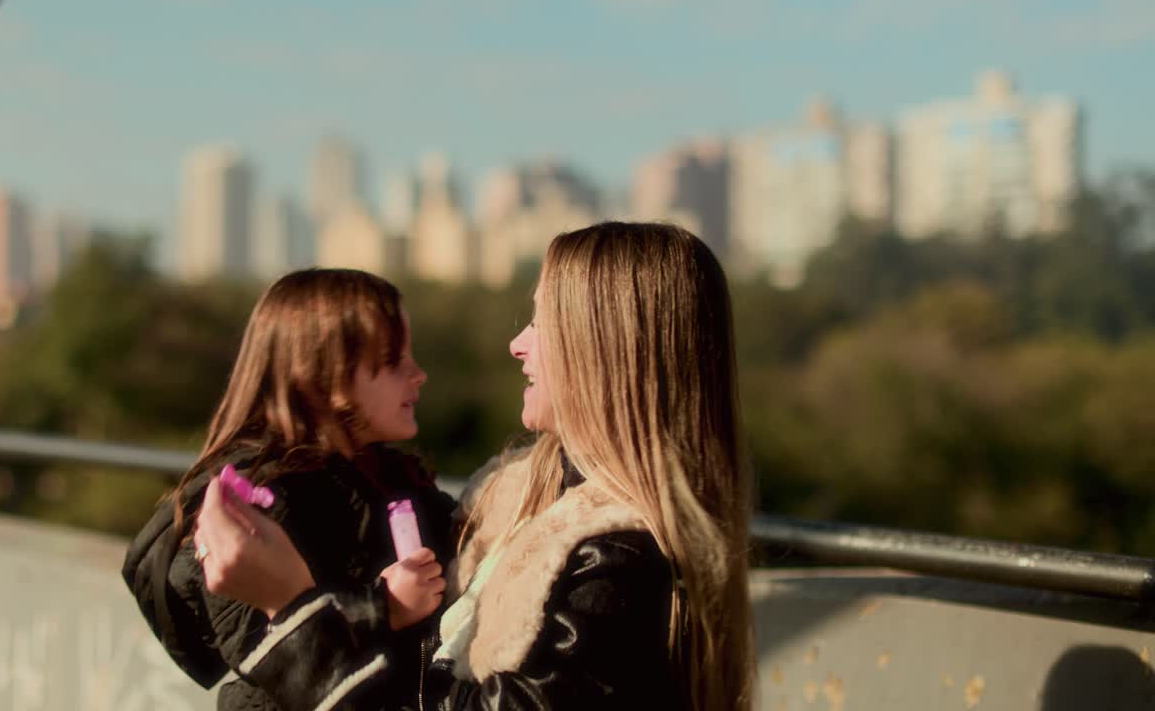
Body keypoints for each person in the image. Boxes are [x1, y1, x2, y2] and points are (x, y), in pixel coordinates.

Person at [195, 222, 757, 711]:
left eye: (542, 323)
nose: (518, 344)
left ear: (607, 352)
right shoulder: (508, 499)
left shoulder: (620, 565)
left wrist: (294, 612)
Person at [121, 269, 455, 711]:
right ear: (323, 377)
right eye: (395, 361)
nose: (419, 375)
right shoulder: (254, 498)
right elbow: (258, 641)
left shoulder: (388, 475)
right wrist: (381, 607)